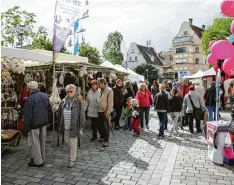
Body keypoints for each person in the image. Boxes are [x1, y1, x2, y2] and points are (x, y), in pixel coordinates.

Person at [24, 81, 52, 167]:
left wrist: (27, 126)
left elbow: (28, 114)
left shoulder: (30, 99)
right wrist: (49, 121)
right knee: (42, 141)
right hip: (43, 122)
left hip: (34, 124)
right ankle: (41, 158)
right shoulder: (44, 96)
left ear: (30, 89)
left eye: (27, 88)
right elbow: (49, 110)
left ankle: (38, 161)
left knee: (35, 142)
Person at [58, 84, 85, 168]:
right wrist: (59, 124)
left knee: (73, 144)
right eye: (67, 91)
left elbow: (82, 115)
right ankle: (73, 152)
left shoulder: (78, 102)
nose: (69, 93)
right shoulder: (63, 102)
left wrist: (81, 125)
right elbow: (59, 114)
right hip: (65, 125)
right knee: (66, 141)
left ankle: (72, 160)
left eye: (71, 91)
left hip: (74, 126)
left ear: (74, 92)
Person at [97, 78, 114, 147]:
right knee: (100, 126)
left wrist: (108, 111)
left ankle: (106, 140)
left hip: (106, 111)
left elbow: (110, 102)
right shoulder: (99, 90)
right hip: (99, 110)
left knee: (106, 126)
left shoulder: (109, 90)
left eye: (99, 84)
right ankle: (102, 137)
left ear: (103, 83)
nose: (98, 85)